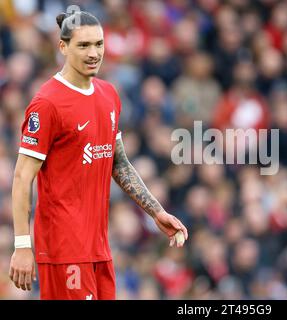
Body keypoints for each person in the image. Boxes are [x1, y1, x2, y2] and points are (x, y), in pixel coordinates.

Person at [8, 10, 188, 300]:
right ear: (63, 47)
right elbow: (21, 177)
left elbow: (119, 162)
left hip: (99, 247)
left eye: (99, 44)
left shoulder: (108, 95)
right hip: (63, 248)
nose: (94, 53)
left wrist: (156, 212)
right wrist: (22, 245)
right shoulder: (47, 103)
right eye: (83, 45)